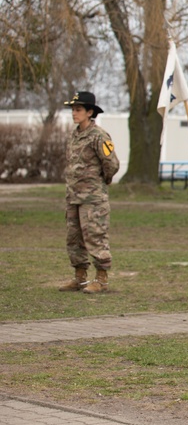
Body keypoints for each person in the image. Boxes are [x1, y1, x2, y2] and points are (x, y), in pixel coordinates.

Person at [60, 91, 120, 294]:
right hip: (73, 196)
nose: (74, 113)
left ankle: (101, 279)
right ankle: (79, 277)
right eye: (73, 110)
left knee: (95, 236)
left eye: (78, 110)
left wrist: (101, 182)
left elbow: (111, 164)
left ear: (89, 112)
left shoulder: (99, 136)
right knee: (74, 237)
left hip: (93, 198)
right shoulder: (75, 135)